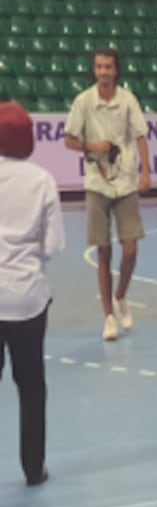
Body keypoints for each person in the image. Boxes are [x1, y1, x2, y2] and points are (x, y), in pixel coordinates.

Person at [64, 47, 151, 342]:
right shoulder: (83, 102)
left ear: (116, 71)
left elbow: (140, 135)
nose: (103, 72)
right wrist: (93, 147)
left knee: (131, 249)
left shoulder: (128, 100)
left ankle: (121, 295)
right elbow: (69, 140)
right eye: (98, 67)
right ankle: (108, 317)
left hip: (125, 182)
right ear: (94, 70)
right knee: (103, 250)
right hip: (97, 184)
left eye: (108, 67)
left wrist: (145, 172)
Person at [0, 101, 65, 487]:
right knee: (31, 385)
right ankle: (32, 467)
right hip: (26, 299)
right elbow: (54, 245)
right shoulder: (41, 181)